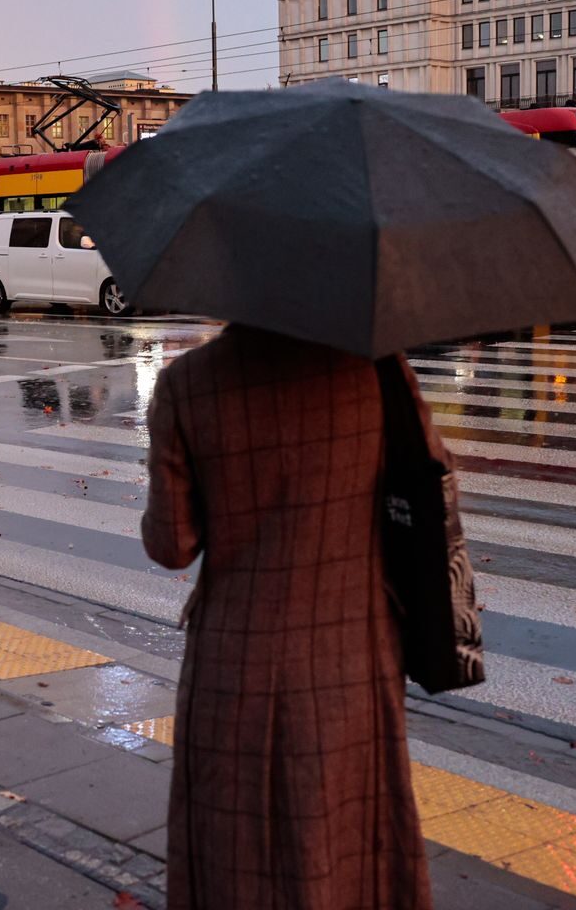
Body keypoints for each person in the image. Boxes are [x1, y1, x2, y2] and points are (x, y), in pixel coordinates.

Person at [143, 328, 434, 909]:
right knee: (349, 838)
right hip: (352, 654)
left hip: (234, 660)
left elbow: (172, 544)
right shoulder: (378, 368)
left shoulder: (188, 383)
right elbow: (429, 481)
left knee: (234, 847)